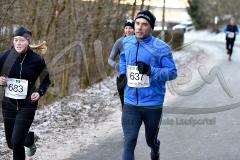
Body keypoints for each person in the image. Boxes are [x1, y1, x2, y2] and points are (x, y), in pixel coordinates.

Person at [119, 10, 177, 160]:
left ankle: (155, 148)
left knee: (150, 140)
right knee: (129, 141)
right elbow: (123, 59)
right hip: (130, 102)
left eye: (144, 24)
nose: (139, 27)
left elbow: (172, 72)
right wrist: (123, 74)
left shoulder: (161, 48)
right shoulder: (127, 42)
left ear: (151, 27)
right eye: (137, 23)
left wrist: (151, 71)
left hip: (152, 104)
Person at [0, 27, 51, 160]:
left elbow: (46, 81)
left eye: (21, 40)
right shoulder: (6, 56)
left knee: (17, 143)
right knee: (11, 143)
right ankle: (29, 139)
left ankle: (24, 139)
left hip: (27, 105)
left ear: (28, 41)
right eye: (15, 40)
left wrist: (39, 93)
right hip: (8, 105)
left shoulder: (37, 60)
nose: (18, 43)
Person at [108, 19, 134, 107]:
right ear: (124, 29)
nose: (128, 30)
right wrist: (116, 66)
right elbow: (110, 59)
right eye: (126, 28)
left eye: (131, 28)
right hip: (122, 77)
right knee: (125, 106)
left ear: (134, 30)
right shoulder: (119, 42)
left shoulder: (139, 41)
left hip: (135, 78)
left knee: (135, 105)